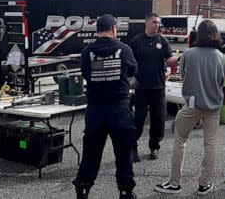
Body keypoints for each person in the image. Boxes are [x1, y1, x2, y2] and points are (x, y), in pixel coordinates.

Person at [155, 20, 225, 195]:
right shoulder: (220, 56)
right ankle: (204, 183)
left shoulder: (188, 53)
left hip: (192, 104)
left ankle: (174, 183)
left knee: (180, 141)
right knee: (210, 144)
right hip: (213, 105)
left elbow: (183, 75)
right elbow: (221, 80)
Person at [73, 14, 138, 199]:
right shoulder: (123, 49)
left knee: (91, 153)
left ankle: (83, 189)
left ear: (98, 30)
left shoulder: (87, 52)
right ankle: (125, 191)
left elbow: (85, 74)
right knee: (123, 153)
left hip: (95, 110)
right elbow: (134, 70)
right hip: (119, 109)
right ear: (113, 29)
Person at [129, 12, 178, 161]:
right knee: (138, 119)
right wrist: (131, 78)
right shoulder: (136, 41)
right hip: (141, 88)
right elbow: (130, 62)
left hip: (158, 88)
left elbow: (169, 59)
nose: (157, 25)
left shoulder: (162, 41)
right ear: (147, 23)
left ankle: (154, 147)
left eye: (158, 23)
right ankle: (133, 148)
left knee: (158, 120)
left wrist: (183, 56)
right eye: (154, 22)